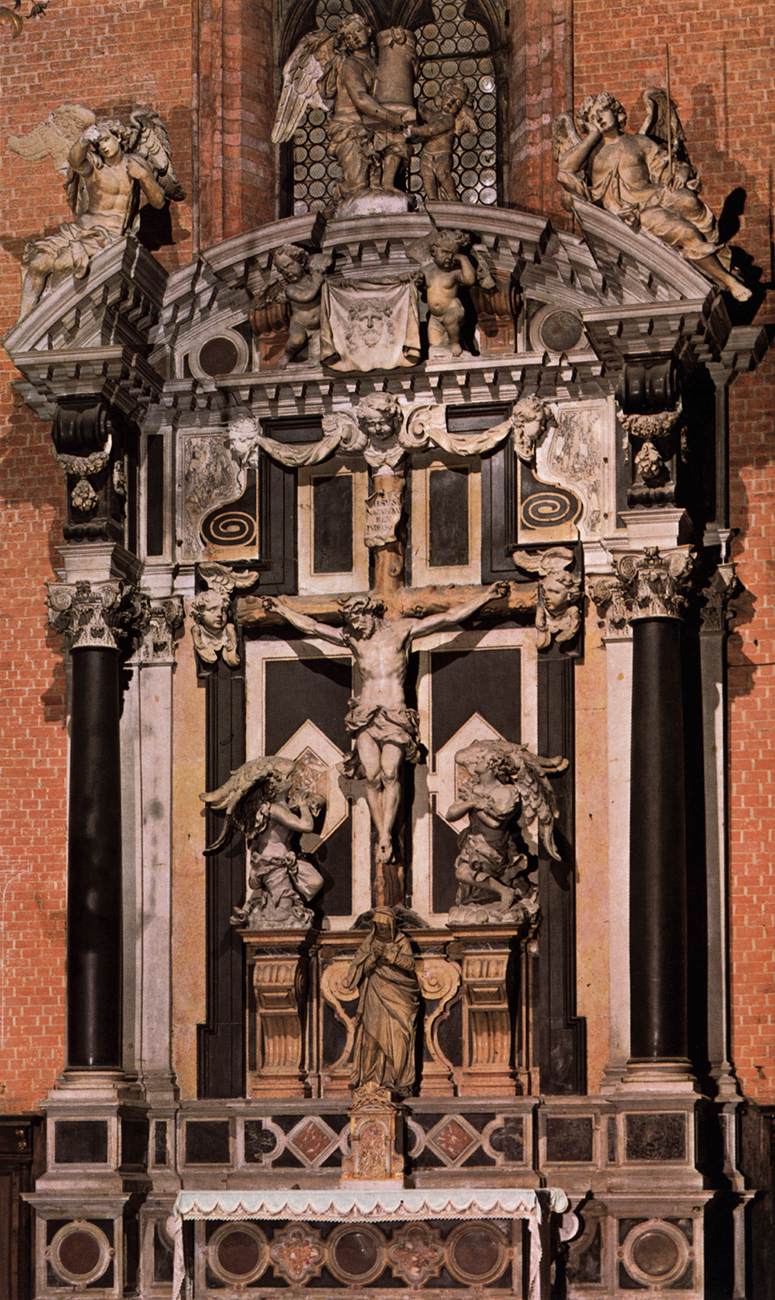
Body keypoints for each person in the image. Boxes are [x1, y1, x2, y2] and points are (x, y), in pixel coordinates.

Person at [262, 582, 508, 865]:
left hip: (394, 714)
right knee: (372, 776)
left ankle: (386, 834)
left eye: (359, 619)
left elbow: (448, 617)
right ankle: (382, 833)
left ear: (370, 613)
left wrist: (486, 595)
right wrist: (281, 609)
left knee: (390, 773)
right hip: (365, 714)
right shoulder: (354, 639)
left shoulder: (402, 630)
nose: (357, 626)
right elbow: (314, 628)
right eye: (352, 622)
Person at [556, 91, 750, 302]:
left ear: (615, 111)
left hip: (652, 198)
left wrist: (681, 172)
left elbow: (665, 168)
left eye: (602, 111)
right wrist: (593, 135)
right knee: (686, 232)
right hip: (629, 212)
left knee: (687, 200)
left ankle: (715, 258)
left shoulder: (639, 142)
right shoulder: (590, 154)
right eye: (593, 117)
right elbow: (565, 171)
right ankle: (728, 280)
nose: (599, 118)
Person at [21, 121, 166, 313]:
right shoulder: (95, 167)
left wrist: (144, 177)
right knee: (37, 264)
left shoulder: (135, 164)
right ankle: (23, 324)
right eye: (98, 144)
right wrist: (83, 141)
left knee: (63, 262)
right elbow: (75, 161)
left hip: (106, 235)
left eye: (106, 140)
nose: (103, 146)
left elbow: (158, 202)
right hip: (77, 230)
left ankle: (53, 310)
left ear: (118, 137)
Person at [347, 907, 419, 1094]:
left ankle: (397, 1079)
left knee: (400, 1035)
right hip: (374, 992)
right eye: (378, 927)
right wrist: (373, 957)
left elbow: (410, 964)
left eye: (385, 927)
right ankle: (371, 1080)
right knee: (372, 1037)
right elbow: (356, 970)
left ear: (392, 926)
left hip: (400, 994)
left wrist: (390, 955)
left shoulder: (401, 941)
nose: (382, 930)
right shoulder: (370, 942)